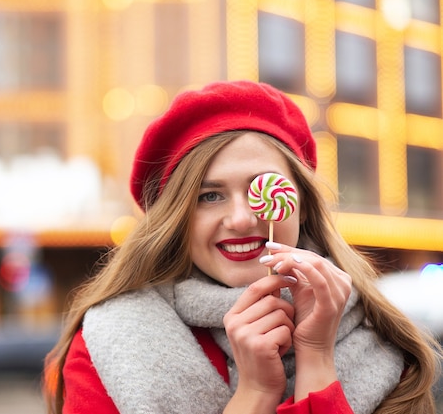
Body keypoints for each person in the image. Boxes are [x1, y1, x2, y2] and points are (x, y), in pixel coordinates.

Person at [44, 80, 442, 414]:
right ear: (176, 218)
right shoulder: (112, 341)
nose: (241, 218)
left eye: (261, 189)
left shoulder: (386, 342)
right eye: (209, 196)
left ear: (301, 206)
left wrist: (317, 358)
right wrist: (254, 394)